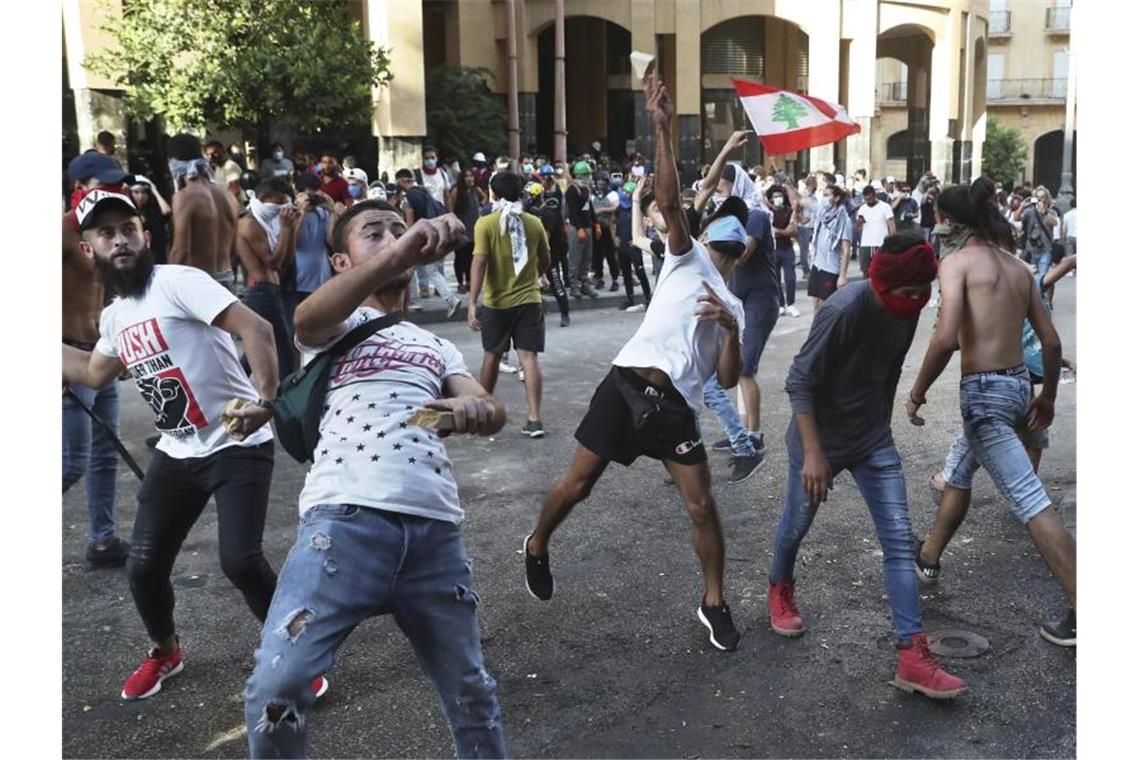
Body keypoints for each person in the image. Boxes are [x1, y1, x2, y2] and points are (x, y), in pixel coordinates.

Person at [231, 201, 507, 758]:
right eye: (372, 233)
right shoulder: (339, 325)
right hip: (342, 523)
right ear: (340, 260)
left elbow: (480, 405)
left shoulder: (436, 345)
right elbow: (306, 320)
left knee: (472, 692)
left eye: (398, 230)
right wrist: (402, 250)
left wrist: (475, 411)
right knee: (277, 686)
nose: (390, 238)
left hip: (434, 533)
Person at [523, 72, 748, 652]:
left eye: (730, 242)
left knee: (702, 505)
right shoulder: (684, 258)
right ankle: (538, 543)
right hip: (626, 386)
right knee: (577, 487)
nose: (721, 246)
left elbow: (727, 377)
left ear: (742, 250)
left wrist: (729, 331)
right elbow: (671, 202)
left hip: (675, 409)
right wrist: (662, 126)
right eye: (718, 237)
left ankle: (714, 601)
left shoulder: (735, 305)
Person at [59, 188, 294, 702]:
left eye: (128, 228)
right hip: (178, 451)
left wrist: (266, 398)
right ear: (88, 248)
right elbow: (95, 373)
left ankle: (293, 653)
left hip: (237, 441)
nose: (119, 240)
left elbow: (254, 327)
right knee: (142, 565)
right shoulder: (115, 317)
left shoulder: (178, 281)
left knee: (240, 560)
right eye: (105, 233)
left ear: (145, 234)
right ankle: (166, 651)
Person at [768, 230, 966, 699]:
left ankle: (911, 656)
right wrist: (814, 453)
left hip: (871, 440)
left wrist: (881, 426)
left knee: (899, 541)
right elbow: (799, 381)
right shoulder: (843, 309)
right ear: (882, 283)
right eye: (908, 292)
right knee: (797, 524)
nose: (916, 301)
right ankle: (779, 586)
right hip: (818, 440)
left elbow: (891, 368)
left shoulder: (907, 310)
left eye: (924, 293)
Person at [907, 182, 1076, 647]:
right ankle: (928, 557)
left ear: (953, 222)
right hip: (1019, 386)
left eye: (940, 219)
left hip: (982, 393)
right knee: (959, 473)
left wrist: (916, 393)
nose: (937, 227)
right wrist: (1048, 399)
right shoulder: (1019, 268)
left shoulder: (956, 263)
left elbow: (945, 338)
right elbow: (1052, 342)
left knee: (1029, 500)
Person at [63, 175, 132, 569]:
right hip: (69, 356)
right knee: (72, 460)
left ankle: (103, 540)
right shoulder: (61, 230)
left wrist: (120, 343)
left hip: (100, 352)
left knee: (106, 451)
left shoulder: (105, 233)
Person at [467, 171, 550, 438]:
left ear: (492, 193)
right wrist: (535, 276)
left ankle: (483, 411)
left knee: (492, 355)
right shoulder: (534, 223)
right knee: (529, 358)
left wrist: (471, 302)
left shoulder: (486, 224)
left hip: (496, 303)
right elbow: (546, 259)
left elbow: (479, 262)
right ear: (520, 193)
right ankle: (535, 418)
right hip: (529, 300)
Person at [236, 178, 300, 380]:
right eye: (279, 202)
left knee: (259, 347)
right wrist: (286, 228)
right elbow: (273, 262)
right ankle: (283, 401)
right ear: (263, 199)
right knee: (284, 352)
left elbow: (287, 259)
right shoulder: (249, 224)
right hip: (262, 292)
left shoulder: (265, 224)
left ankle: (232, 383)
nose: (282, 209)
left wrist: (290, 228)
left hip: (269, 290)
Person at [167, 133, 241, 293]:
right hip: (227, 279)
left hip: (198, 283)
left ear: (173, 162)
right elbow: (235, 249)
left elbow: (181, 252)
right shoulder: (227, 196)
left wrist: (167, 288)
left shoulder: (184, 197)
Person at [396, 168, 463, 319]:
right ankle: (410, 300)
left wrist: (406, 238)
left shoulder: (408, 198)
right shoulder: (424, 192)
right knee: (422, 269)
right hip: (439, 232)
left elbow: (410, 220)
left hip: (426, 236)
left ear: (402, 181)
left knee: (428, 271)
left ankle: (451, 299)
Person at [284, 173, 335, 335]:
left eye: (316, 194)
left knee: (320, 329)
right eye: (309, 195)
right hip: (298, 281)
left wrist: (332, 211)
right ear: (297, 193)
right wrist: (302, 213)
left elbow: (332, 242)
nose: (313, 200)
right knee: (298, 331)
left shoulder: (323, 213)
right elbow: (294, 243)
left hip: (322, 279)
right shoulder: (290, 214)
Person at [807, 184, 853, 309]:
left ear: (837, 198)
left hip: (831, 269)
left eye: (827, 195)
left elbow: (846, 249)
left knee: (825, 304)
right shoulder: (822, 214)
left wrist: (842, 275)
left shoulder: (844, 220)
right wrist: (787, 183)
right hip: (817, 265)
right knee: (815, 301)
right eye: (823, 195)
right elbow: (801, 200)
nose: (824, 198)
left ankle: (824, 327)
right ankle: (817, 327)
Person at [614, 178, 653, 311]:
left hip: (633, 245)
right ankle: (629, 298)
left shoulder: (637, 208)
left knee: (640, 272)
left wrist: (639, 239)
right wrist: (616, 236)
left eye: (627, 192)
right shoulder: (620, 208)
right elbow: (614, 222)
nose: (625, 194)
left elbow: (643, 224)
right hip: (622, 244)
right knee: (626, 273)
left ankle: (648, 299)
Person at [564, 161, 599, 300]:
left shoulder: (585, 189)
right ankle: (574, 286)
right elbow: (573, 212)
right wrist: (579, 229)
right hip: (576, 228)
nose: (589, 177)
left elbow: (589, 208)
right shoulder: (572, 190)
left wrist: (595, 223)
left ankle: (585, 284)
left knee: (587, 258)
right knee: (575, 258)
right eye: (586, 174)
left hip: (588, 226)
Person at [449, 167, 486, 294]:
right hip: (461, 228)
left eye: (471, 176)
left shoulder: (476, 190)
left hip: (474, 228)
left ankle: (470, 281)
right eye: (467, 176)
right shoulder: (456, 191)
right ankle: (460, 283)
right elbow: (451, 209)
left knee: (472, 257)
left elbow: (484, 199)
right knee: (460, 257)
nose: (470, 178)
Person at [768, 183, 800, 317]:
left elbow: (793, 231)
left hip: (787, 249)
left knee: (790, 278)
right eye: (775, 196)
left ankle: (791, 304)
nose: (778, 198)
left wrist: (778, 231)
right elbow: (771, 232)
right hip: (774, 250)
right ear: (771, 199)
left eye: (780, 195)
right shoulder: (768, 213)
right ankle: (780, 304)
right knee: (776, 278)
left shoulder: (789, 211)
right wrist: (785, 231)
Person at [1014, 186, 1059, 276]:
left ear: (1047, 199)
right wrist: (1022, 205)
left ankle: (1040, 289)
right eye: (1038, 197)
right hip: (1031, 249)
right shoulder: (1029, 211)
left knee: (1041, 275)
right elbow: (1016, 218)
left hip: (1046, 249)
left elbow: (1054, 223)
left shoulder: (1051, 212)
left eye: (1042, 197)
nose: (1040, 200)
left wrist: (1043, 212)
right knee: (1032, 276)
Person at [129, 175, 172, 264]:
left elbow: (166, 211)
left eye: (144, 192)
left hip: (157, 258)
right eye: (136, 192)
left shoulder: (153, 212)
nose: (141, 196)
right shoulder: (129, 213)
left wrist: (154, 191)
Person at [855, 184, 896, 275]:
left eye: (870, 199)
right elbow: (857, 227)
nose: (868, 201)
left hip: (880, 243)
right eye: (866, 199)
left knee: (881, 271)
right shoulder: (862, 209)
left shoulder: (885, 207)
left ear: (874, 195)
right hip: (865, 244)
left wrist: (892, 241)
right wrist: (859, 222)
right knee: (866, 271)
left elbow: (891, 224)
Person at [205, 140, 245, 207]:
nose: (212, 157)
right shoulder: (218, 168)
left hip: (235, 210)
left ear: (223, 151)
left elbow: (234, 191)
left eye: (215, 153)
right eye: (209, 155)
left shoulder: (230, 166)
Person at [795, 176, 818, 280]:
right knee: (804, 251)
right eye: (815, 183)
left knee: (814, 249)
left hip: (814, 225)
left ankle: (814, 269)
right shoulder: (802, 195)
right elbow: (796, 210)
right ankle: (806, 271)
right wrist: (800, 220)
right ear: (811, 184)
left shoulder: (814, 196)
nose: (817, 185)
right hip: (804, 226)